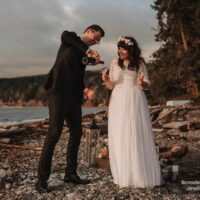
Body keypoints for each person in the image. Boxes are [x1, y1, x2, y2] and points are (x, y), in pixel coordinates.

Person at [35, 25, 105, 193]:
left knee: (76, 133)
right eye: (95, 36)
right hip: (58, 93)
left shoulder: (83, 54)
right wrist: (88, 53)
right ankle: (41, 180)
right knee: (54, 133)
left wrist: (86, 89)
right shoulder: (70, 38)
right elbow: (69, 38)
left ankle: (71, 174)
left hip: (74, 97)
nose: (96, 41)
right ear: (88, 31)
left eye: (99, 40)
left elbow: (78, 75)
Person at [102, 36, 163, 188]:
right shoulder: (115, 62)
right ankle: (123, 173)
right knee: (120, 132)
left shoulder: (140, 63)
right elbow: (111, 85)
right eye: (119, 48)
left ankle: (139, 174)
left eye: (123, 48)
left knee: (136, 132)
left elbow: (147, 84)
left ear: (131, 49)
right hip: (118, 100)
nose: (120, 51)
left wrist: (142, 83)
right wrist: (106, 80)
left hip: (135, 98)